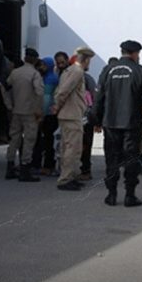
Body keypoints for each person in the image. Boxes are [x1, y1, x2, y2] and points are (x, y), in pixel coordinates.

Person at [92, 40, 142, 206]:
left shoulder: (107, 70)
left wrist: (96, 120)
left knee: (111, 158)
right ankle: (129, 195)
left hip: (110, 122)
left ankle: (111, 194)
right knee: (131, 159)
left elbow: (98, 98)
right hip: (131, 122)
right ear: (135, 54)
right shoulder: (140, 71)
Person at [52, 46, 95, 191]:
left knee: (68, 147)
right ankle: (66, 179)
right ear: (86, 59)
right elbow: (64, 91)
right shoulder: (77, 71)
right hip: (72, 114)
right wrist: (57, 105)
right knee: (73, 149)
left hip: (68, 114)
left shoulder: (68, 70)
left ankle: (71, 176)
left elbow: (60, 89)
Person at [5, 48, 44, 182]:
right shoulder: (35, 74)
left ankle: (9, 167)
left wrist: (9, 106)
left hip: (16, 111)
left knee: (14, 139)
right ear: (35, 59)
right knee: (28, 140)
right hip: (30, 113)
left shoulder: (15, 73)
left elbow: (5, 87)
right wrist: (38, 110)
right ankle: (25, 170)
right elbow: (39, 92)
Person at [32, 56, 60, 175]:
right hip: (47, 113)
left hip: (48, 114)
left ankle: (47, 165)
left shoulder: (50, 78)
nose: (41, 67)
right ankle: (41, 164)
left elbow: (47, 98)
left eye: (43, 65)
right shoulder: (47, 77)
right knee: (44, 140)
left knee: (48, 141)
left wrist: (41, 114)